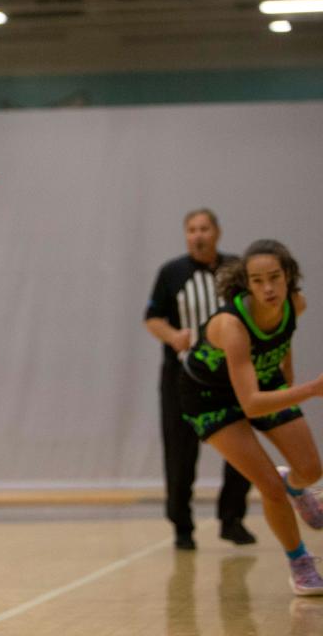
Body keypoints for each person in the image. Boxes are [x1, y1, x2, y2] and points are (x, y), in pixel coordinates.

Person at [180, 239, 323, 595]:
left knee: (312, 470)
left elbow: (283, 339)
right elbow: (252, 405)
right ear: (246, 283)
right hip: (210, 397)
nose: (268, 288)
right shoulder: (232, 325)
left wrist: (287, 380)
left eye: (275, 277)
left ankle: (296, 485)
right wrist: (309, 389)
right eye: (257, 281)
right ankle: (300, 564)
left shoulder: (296, 304)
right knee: (269, 488)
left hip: (262, 379)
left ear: (289, 275)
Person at [145, 209, 254, 550]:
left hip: (229, 376)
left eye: (204, 228)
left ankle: (232, 519)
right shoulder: (172, 272)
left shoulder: (236, 269)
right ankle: (182, 526)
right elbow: (152, 318)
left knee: (242, 451)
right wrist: (173, 335)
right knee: (180, 454)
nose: (198, 235)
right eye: (191, 229)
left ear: (217, 232)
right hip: (182, 376)